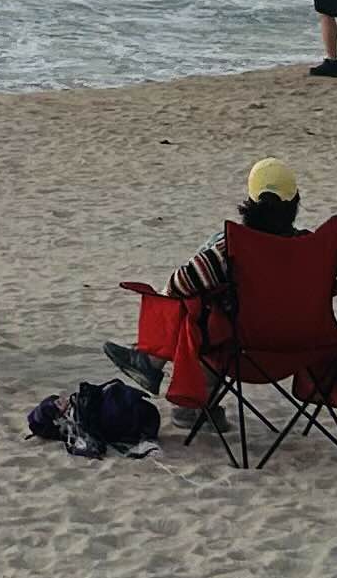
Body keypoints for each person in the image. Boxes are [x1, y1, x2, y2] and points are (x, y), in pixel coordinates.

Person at [108, 159, 301, 407]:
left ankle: (162, 372)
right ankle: (156, 367)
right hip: (300, 349)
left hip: (241, 351)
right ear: (295, 202)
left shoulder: (232, 247)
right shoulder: (309, 248)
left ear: (251, 202)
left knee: (197, 305)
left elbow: (179, 285)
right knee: (213, 303)